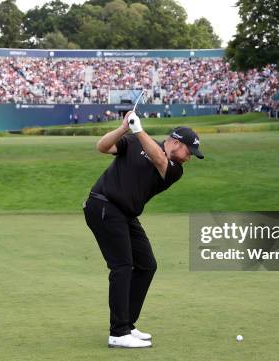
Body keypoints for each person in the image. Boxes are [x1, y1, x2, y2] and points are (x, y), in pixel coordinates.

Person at [84, 111, 204, 348]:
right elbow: (102, 147)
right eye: (188, 152)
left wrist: (138, 130)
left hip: (125, 214)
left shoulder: (174, 169)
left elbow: (159, 159)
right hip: (103, 205)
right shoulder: (132, 141)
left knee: (147, 264)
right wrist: (124, 129)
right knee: (122, 266)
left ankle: (127, 324)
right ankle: (118, 333)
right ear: (176, 143)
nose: (189, 157)